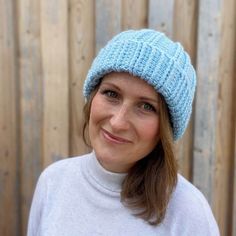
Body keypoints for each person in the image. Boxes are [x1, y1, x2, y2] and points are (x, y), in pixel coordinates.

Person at [27, 29, 220, 236]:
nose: (118, 122)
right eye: (111, 94)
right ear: (92, 96)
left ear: (165, 128)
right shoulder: (53, 182)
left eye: (146, 107)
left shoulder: (189, 213)